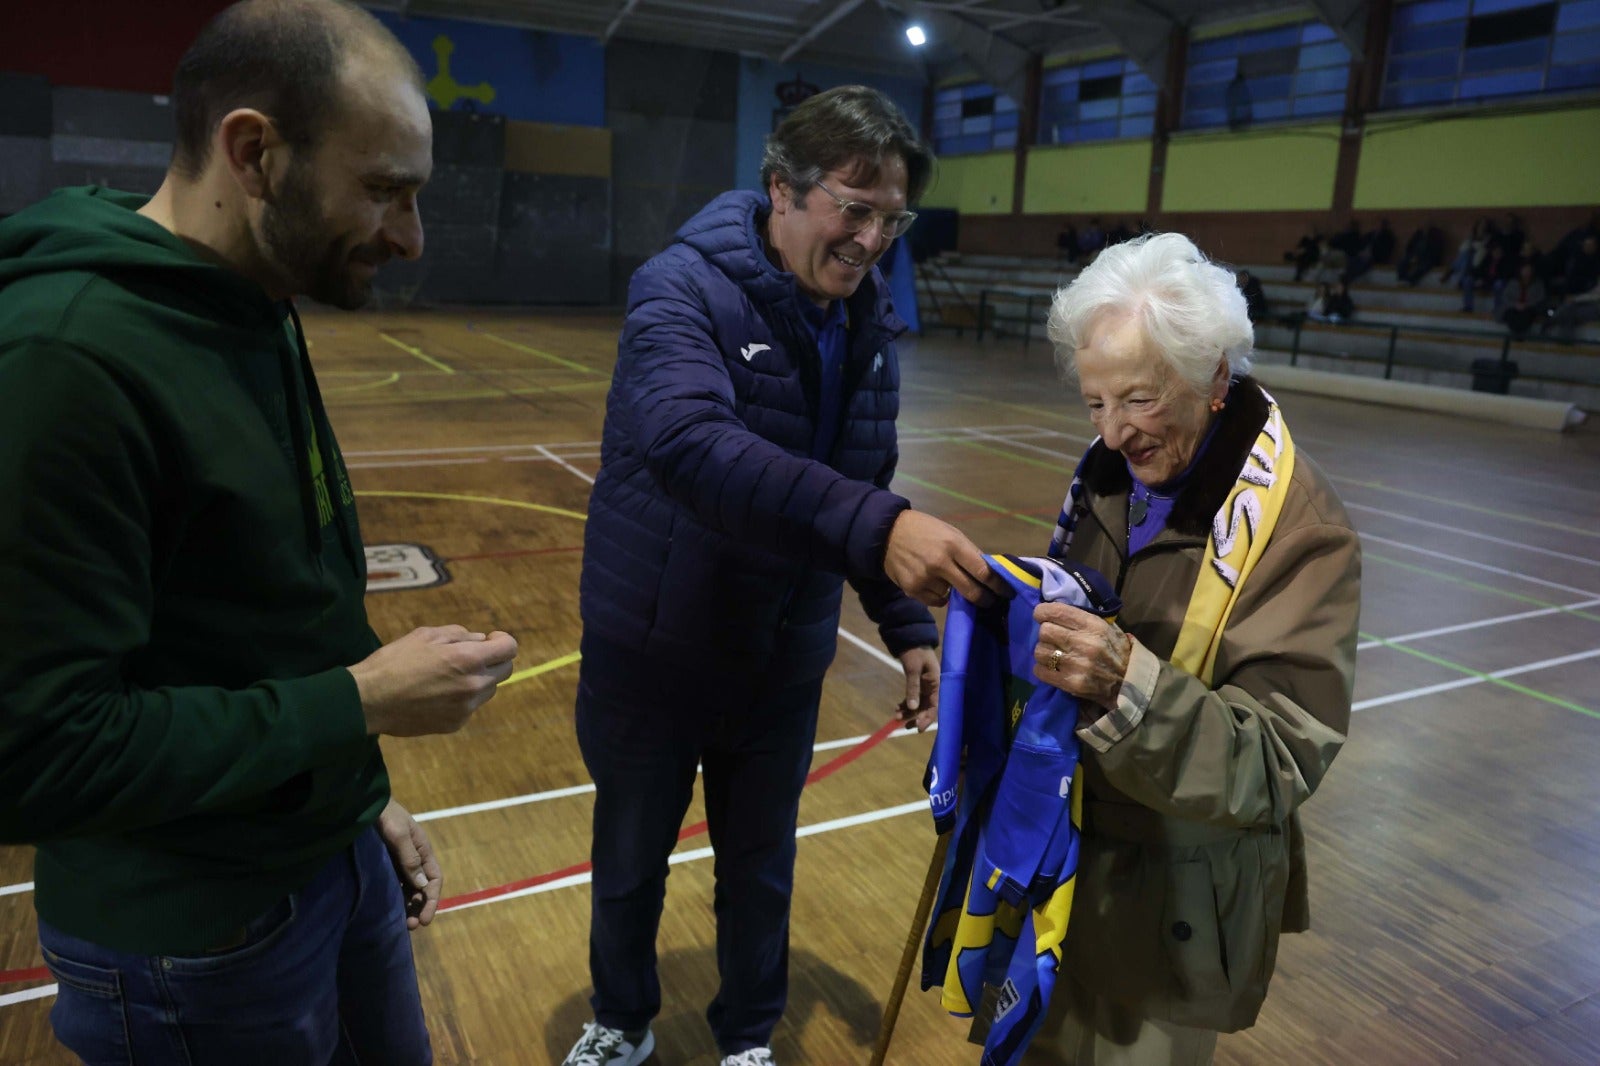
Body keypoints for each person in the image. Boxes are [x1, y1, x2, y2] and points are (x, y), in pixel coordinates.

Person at [0, 2, 520, 1062]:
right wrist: (358, 704)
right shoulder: (64, 364)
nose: (411, 238)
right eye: (383, 192)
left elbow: (265, 615)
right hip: (191, 944)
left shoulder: (252, 299)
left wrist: (355, 796)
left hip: (323, 855)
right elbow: (35, 754)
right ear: (254, 152)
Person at [560, 85, 1005, 1066]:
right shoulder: (678, 289)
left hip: (778, 656)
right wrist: (883, 528)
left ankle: (748, 1038)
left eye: (893, 218)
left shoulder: (867, 321)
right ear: (781, 192)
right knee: (631, 857)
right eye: (854, 208)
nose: (873, 238)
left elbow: (861, 479)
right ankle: (621, 1021)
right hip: (656, 642)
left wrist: (907, 625)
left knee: (761, 866)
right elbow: (687, 443)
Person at [1021, 232, 1361, 1064]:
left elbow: (1276, 761)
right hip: (1066, 873)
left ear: (1213, 376)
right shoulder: (1105, 477)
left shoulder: (1300, 529)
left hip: (1175, 905)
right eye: (1093, 403)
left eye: (1136, 400)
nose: (1110, 434)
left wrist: (1127, 684)